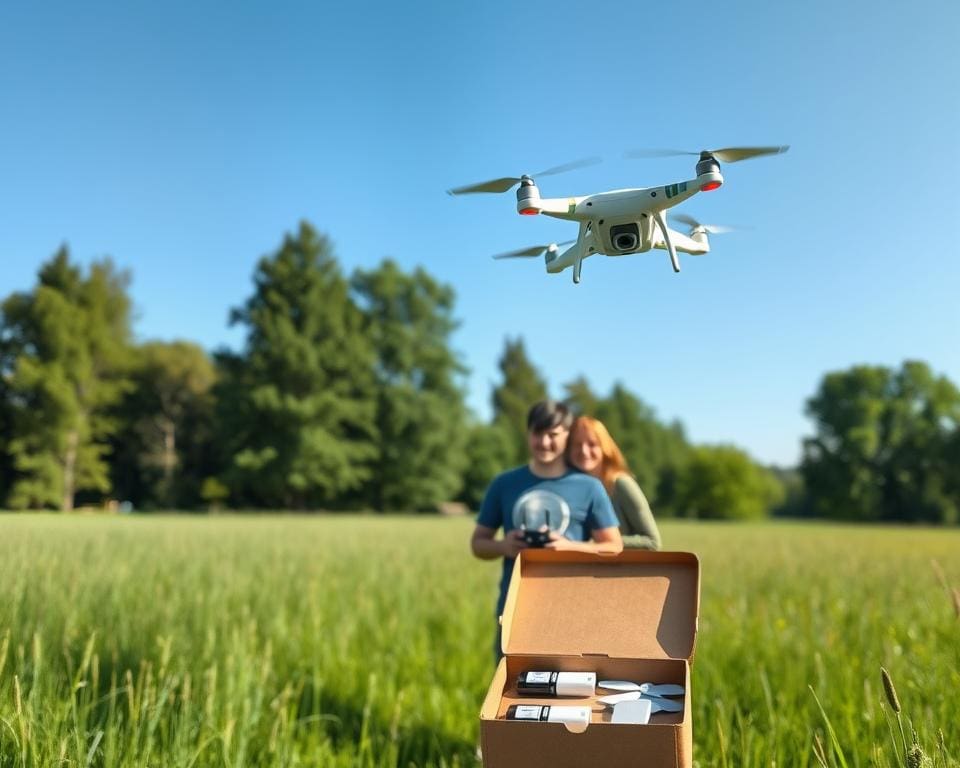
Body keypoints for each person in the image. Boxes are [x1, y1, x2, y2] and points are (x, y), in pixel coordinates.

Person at [471, 400, 623, 660]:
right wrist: (504, 546)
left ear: (567, 436)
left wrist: (568, 546)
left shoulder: (589, 487)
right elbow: (478, 544)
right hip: (515, 609)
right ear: (528, 435)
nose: (544, 442)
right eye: (537, 434)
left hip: (573, 612)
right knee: (511, 691)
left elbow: (614, 546)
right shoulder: (504, 484)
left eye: (553, 434)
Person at [566, 415, 662, 551]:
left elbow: (652, 542)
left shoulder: (622, 484)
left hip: (619, 570)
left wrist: (598, 544)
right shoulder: (567, 487)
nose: (584, 451)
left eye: (592, 444)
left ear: (604, 447)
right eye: (577, 444)